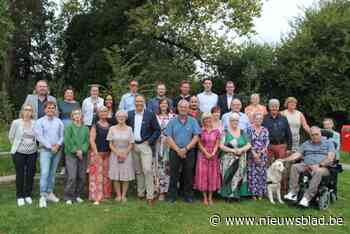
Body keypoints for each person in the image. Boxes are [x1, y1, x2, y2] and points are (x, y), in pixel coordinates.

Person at [283, 126, 335, 207]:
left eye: (316, 134)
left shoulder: (329, 143)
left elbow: (330, 158)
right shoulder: (306, 143)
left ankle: (307, 198)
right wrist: (284, 160)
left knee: (318, 171)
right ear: (310, 135)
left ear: (320, 134)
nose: (314, 136)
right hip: (306, 165)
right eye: (312, 135)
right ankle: (293, 193)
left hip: (323, 167)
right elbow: (297, 154)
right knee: (295, 167)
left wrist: (319, 165)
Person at [127, 95, 161, 206]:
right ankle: (140, 193)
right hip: (133, 145)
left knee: (147, 170)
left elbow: (157, 130)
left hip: (145, 145)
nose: (139, 103)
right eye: (137, 101)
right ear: (134, 103)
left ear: (144, 102)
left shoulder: (150, 114)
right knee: (138, 171)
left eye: (141, 101)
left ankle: (150, 195)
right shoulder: (130, 114)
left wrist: (149, 141)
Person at [165, 100, 201, 203]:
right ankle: (172, 196)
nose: (183, 109)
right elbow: (168, 137)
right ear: (178, 108)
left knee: (188, 174)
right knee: (174, 174)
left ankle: (188, 196)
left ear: (188, 108)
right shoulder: (172, 121)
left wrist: (185, 149)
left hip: (189, 151)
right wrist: (178, 150)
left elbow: (196, 137)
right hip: (174, 150)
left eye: (185, 107)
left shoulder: (193, 121)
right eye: (181, 107)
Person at [34, 101, 64, 208]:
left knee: (52, 173)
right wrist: (50, 147)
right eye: (48, 108)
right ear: (44, 109)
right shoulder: (40, 122)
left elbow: (62, 136)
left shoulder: (59, 121)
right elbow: (39, 136)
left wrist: (57, 146)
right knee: (45, 172)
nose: (51, 110)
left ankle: (50, 193)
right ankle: (43, 196)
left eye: (53, 108)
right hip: (45, 151)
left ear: (55, 110)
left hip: (57, 151)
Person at [9, 104, 37, 207]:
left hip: (32, 153)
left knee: (30, 174)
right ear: (22, 111)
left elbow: (37, 136)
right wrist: (18, 147)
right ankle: (20, 196)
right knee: (20, 174)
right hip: (19, 153)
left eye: (30, 110)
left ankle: (28, 194)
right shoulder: (16, 122)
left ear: (32, 112)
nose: (28, 112)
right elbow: (11, 137)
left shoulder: (35, 123)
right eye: (26, 110)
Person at [218, 113, 252, 200]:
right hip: (228, 159)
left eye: (236, 120)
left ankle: (236, 195)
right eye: (233, 120)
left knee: (238, 176)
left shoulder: (242, 131)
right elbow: (221, 146)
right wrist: (233, 150)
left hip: (241, 158)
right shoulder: (225, 132)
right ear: (229, 121)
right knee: (228, 175)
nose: (235, 122)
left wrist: (242, 149)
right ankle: (227, 195)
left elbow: (249, 144)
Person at [262, 99, 292, 195]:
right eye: (272, 106)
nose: (274, 108)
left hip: (281, 146)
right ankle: (267, 190)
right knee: (268, 168)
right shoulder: (264, 118)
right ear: (269, 107)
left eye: (276, 106)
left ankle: (283, 191)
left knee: (282, 168)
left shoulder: (283, 118)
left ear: (279, 107)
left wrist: (289, 148)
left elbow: (289, 134)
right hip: (269, 146)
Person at [107, 111, 135, 203]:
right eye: (119, 116)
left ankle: (124, 195)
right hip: (115, 154)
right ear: (116, 118)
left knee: (125, 175)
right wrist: (117, 153)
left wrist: (125, 153)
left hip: (127, 153)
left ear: (126, 118)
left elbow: (131, 143)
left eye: (123, 116)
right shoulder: (112, 128)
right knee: (116, 176)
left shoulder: (129, 129)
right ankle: (118, 195)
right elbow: (110, 144)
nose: (121, 118)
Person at [194, 113, 221, 205]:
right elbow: (199, 143)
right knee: (203, 176)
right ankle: (204, 197)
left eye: (209, 119)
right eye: (205, 119)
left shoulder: (216, 131)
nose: (208, 120)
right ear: (203, 120)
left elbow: (217, 143)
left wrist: (213, 153)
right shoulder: (200, 131)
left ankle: (210, 197)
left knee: (212, 176)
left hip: (213, 156)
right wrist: (206, 153)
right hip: (202, 155)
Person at [63, 109, 89, 205]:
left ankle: (77, 195)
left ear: (82, 116)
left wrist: (82, 150)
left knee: (82, 176)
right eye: (75, 114)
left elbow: (87, 141)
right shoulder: (68, 127)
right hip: (71, 154)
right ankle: (68, 196)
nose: (77, 116)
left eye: (79, 114)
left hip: (83, 154)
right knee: (72, 176)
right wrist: (76, 151)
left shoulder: (85, 128)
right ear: (72, 116)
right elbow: (67, 141)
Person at [88, 106, 112, 205]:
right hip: (97, 154)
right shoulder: (95, 125)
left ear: (108, 113)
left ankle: (105, 196)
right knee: (96, 177)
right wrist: (96, 153)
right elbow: (91, 140)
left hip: (108, 154)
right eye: (101, 112)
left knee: (107, 176)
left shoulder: (110, 125)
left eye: (105, 111)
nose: (103, 113)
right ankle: (96, 197)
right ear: (98, 114)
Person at [154, 98, 176, 201]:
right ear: (159, 105)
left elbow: (175, 131)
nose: (163, 105)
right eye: (162, 103)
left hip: (169, 145)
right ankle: (159, 191)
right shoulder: (155, 117)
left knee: (168, 168)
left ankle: (167, 190)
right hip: (157, 145)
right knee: (158, 168)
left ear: (168, 105)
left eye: (165, 103)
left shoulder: (173, 117)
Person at [246, 112, 269, 200]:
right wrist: (254, 153)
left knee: (261, 173)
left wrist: (261, 152)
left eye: (260, 119)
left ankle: (260, 193)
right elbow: (247, 141)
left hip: (262, 155)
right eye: (257, 119)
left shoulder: (265, 130)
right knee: (252, 174)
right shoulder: (249, 129)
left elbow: (267, 142)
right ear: (253, 119)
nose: (258, 120)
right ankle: (253, 193)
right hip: (252, 154)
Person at [58, 86, 80, 175]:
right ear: (64, 94)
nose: (69, 95)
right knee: (64, 146)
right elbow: (58, 116)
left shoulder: (77, 104)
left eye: (71, 93)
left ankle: (75, 165)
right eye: (67, 93)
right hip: (63, 127)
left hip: (75, 126)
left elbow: (79, 115)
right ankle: (63, 166)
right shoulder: (60, 103)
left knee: (75, 144)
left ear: (73, 95)